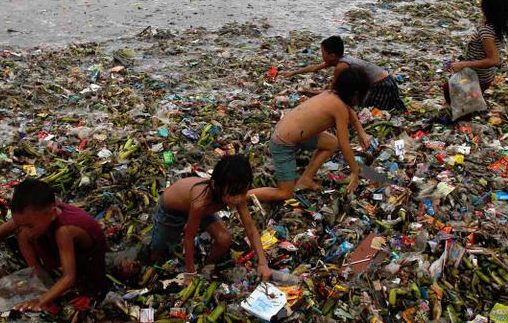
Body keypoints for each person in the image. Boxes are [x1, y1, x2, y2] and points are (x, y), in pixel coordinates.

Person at [0, 179, 108, 311]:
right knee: (23, 234)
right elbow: (3, 229)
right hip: (58, 247)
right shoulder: (38, 216)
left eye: (29, 225)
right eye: (21, 224)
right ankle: (37, 274)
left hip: (87, 264)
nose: (25, 229)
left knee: (84, 295)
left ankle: (53, 287)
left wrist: (40, 301)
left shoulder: (64, 231)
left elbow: (69, 277)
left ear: (51, 214)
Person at [251, 67, 370, 202]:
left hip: (290, 134)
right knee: (284, 193)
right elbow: (344, 144)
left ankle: (305, 179)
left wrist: (361, 132)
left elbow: (351, 113)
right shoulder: (339, 108)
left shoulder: (331, 94)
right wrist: (355, 171)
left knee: (331, 143)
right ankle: (241, 197)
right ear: (355, 94)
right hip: (283, 144)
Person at [147, 154, 271, 283]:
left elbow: (250, 229)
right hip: (172, 210)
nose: (238, 199)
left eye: (243, 193)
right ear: (214, 185)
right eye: (233, 194)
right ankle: (150, 263)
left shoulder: (235, 194)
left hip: (205, 210)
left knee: (224, 239)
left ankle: (206, 265)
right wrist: (190, 273)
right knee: (158, 248)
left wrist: (263, 263)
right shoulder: (201, 202)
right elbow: (189, 238)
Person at [283, 35, 406, 113]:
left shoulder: (341, 66)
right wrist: (292, 72)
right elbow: (315, 67)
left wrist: (308, 92)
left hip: (382, 86)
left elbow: (332, 92)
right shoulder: (340, 59)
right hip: (386, 80)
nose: (322, 55)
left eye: (323, 52)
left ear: (331, 55)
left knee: (378, 112)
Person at [444, 0, 508, 105]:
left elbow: (494, 60)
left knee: (447, 90)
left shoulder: (486, 30)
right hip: (485, 77)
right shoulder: (496, 26)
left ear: (486, 5)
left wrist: (463, 64)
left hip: (477, 80)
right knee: (451, 94)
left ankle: (468, 109)